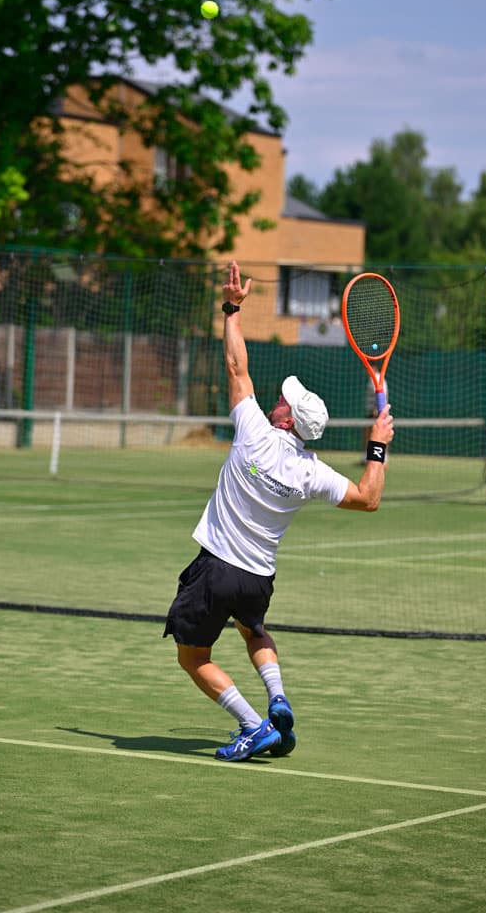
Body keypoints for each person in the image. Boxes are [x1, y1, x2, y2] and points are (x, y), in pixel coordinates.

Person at [163, 261, 394, 762]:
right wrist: (377, 445)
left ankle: (254, 725)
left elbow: (236, 366)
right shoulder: (312, 472)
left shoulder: (252, 432)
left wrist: (232, 308)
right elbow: (369, 497)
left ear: (287, 420)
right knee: (254, 631)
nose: (277, 400)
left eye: (285, 402)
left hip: (216, 568)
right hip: (257, 579)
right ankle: (279, 699)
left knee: (193, 657)